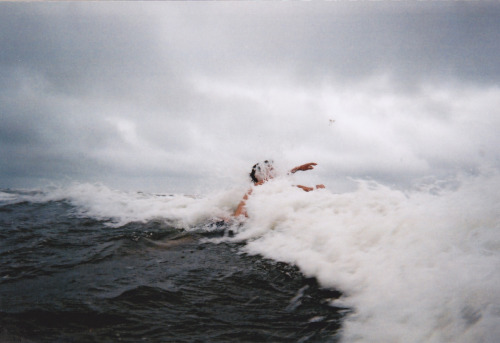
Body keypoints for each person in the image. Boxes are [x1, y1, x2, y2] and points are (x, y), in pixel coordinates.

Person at [233, 160, 325, 217]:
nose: (276, 172)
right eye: (272, 170)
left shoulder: (270, 188)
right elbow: (239, 216)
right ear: (260, 174)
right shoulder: (258, 186)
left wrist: (298, 169)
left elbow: (284, 183)